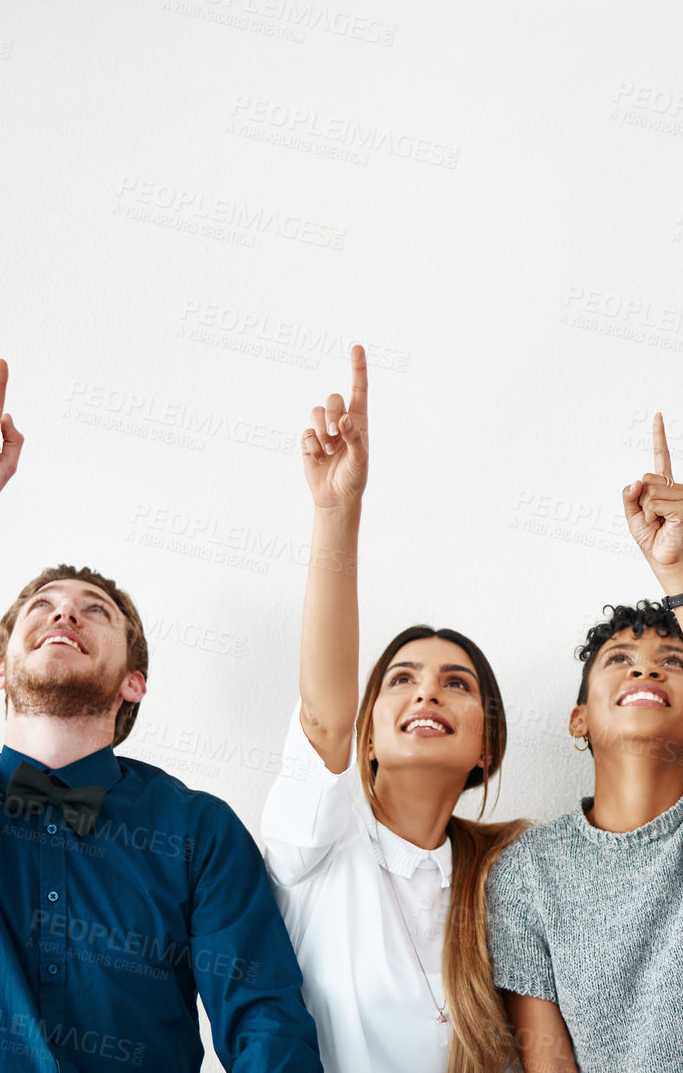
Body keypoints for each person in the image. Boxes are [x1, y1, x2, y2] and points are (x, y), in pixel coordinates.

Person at [0, 361, 322, 1072]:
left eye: (94, 612)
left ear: (133, 681)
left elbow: (265, 1022)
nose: (65, 614)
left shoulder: (198, 832)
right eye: (43, 608)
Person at [487, 415, 683, 1072]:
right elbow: (547, 1060)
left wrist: (675, 570)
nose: (645, 669)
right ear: (579, 720)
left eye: (672, 662)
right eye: (620, 659)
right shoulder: (529, 871)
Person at [259, 344, 526, 1073]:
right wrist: (337, 514)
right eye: (401, 680)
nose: (427, 692)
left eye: (456, 683)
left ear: (485, 748)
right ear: (367, 733)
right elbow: (322, 712)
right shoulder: (322, 837)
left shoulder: (503, 879)